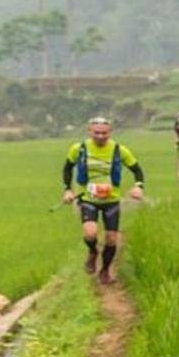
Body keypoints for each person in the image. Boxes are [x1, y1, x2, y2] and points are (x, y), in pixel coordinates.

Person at [61, 116, 145, 284]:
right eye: (96, 133)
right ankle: (92, 252)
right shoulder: (79, 149)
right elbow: (68, 168)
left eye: (104, 133)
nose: (100, 136)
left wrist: (138, 186)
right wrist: (68, 190)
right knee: (90, 233)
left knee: (112, 238)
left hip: (111, 201)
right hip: (88, 199)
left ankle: (105, 270)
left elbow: (137, 170)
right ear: (89, 131)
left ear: (110, 132)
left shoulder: (120, 150)